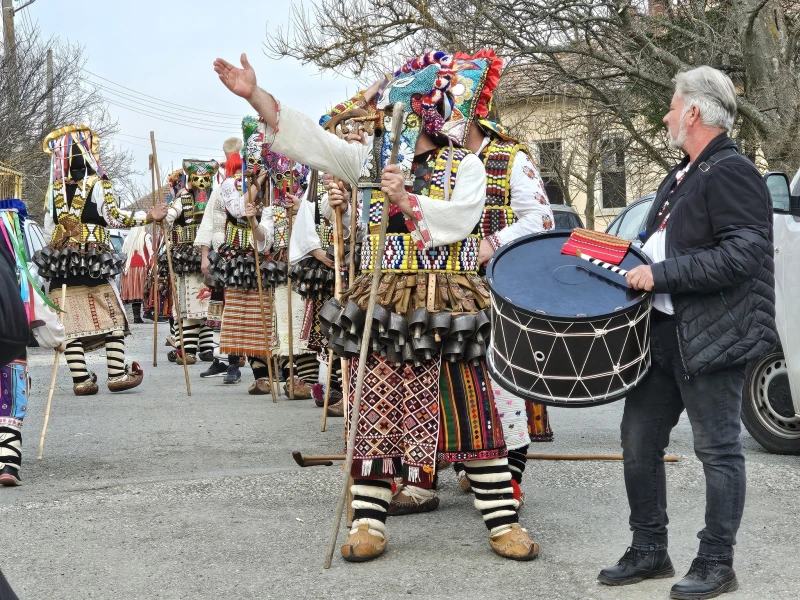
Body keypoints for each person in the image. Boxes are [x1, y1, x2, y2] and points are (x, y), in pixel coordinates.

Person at [215, 50, 538, 561]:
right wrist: (256, 95)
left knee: (469, 407)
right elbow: (312, 141)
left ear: (421, 115)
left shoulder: (467, 165)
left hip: (445, 299)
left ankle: (501, 520)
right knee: (376, 412)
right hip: (384, 301)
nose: (387, 124)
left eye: (396, 114)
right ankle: (368, 521)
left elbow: (460, 219)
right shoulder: (369, 164)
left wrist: (408, 200)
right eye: (388, 116)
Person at [598, 66, 776, 600]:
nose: (666, 115)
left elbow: (745, 253)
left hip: (715, 337)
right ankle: (650, 549)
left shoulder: (732, 171)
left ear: (694, 112)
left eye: (673, 106)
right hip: (665, 334)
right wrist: (604, 252)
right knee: (638, 441)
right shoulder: (684, 173)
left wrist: (662, 274)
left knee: (718, 451)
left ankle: (717, 562)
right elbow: (659, 246)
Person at [390, 50, 556, 515]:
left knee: (499, 387)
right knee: (424, 377)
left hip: (496, 286)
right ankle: (423, 478)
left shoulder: (510, 157)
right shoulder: (422, 162)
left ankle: (506, 481)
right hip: (433, 286)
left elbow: (540, 219)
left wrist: (490, 245)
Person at [33, 126, 167, 396]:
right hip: (93, 262)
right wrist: (148, 216)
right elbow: (114, 217)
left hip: (61, 265)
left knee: (68, 324)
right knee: (114, 317)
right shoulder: (98, 183)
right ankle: (116, 374)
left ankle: (81, 380)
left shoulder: (54, 190)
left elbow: (49, 229)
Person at [209, 116, 276, 393]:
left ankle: (264, 374)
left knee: (263, 316)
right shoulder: (229, 184)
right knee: (237, 313)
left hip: (265, 253)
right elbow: (237, 210)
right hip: (239, 256)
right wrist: (254, 187)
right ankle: (236, 365)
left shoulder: (271, 181)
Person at [1, 201, 66, 486]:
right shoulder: (12, 263)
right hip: (9, 334)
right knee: (10, 399)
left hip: (9, 331)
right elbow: (33, 301)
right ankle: (8, 464)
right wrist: (55, 339)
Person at [163, 159, 220, 366]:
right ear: (191, 180)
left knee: (207, 307)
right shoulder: (183, 199)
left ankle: (205, 348)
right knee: (190, 306)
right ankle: (187, 349)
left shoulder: (216, 197)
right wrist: (164, 216)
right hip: (187, 257)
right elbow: (171, 215)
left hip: (211, 255)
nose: (201, 184)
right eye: (197, 180)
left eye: (205, 180)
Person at [120, 226, 153, 324]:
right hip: (141, 267)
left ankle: (136, 316)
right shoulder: (146, 236)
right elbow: (151, 252)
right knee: (143, 290)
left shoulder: (127, 238)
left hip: (129, 268)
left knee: (135, 292)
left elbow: (123, 253)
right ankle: (146, 313)